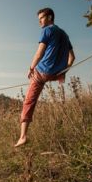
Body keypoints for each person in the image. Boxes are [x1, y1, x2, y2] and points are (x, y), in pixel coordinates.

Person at [15, 8, 75, 147]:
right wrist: (63, 71)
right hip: (55, 74)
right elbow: (72, 57)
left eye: (41, 18)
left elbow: (39, 53)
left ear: (50, 17)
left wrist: (31, 68)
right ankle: (23, 135)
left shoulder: (47, 30)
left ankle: (23, 136)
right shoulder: (65, 34)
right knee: (35, 94)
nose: (39, 22)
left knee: (29, 102)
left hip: (42, 72)